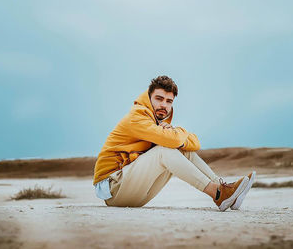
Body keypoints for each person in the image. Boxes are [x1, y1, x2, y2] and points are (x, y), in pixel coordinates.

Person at [93, 75, 255, 211]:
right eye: (159, 98)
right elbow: (175, 140)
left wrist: (175, 132)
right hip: (113, 188)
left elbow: (195, 144)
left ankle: (223, 188)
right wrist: (178, 132)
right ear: (148, 98)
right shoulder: (137, 118)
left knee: (182, 150)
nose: (164, 104)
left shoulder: (157, 123)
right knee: (165, 150)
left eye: (169, 101)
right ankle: (218, 194)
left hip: (135, 193)